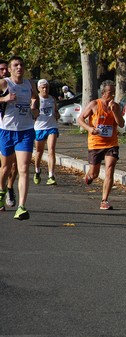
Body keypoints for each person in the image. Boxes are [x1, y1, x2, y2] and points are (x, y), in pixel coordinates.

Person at [0, 56, 39, 220]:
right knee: (5, 169)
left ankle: (22, 207)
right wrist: (4, 98)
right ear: (9, 69)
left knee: (23, 169)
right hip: (7, 130)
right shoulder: (4, 83)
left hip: (26, 130)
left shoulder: (29, 84)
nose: (19, 67)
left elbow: (35, 98)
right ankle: (2, 191)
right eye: (15, 65)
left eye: (22, 65)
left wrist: (34, 107)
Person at [77, 80, 124, 210]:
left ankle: (104, 200)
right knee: (95, 174)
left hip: (111, 143)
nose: (113, 95)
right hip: (95, 143)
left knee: (110, 168)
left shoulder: (116, 106)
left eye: (114, 92)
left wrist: (115, 111)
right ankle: (89, 176)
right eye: (110, 93)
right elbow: (80, 119)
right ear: (103, 93)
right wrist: (89, 128)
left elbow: (121, 124)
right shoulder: (94, 104)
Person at [33, 79, 60, 185]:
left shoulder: (52, 99)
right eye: (42, 87)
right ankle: (37, 171)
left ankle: (51, 175)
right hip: (39, 128)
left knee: (51, 151)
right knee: (39, 152)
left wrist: (57, 115)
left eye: (47, 87)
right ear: (38, 88)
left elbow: (56, 112)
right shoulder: (36, 99)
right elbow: (32, 113)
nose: (45, 89)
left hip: (52, 127)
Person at [0, 58, 18, 210]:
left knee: (14, 165)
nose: (4, 72)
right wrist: (4, 99)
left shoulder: (13, 84)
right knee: (4, 166)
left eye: (6, 69)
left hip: (11, 129)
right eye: (1, 69)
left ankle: (10, 189)